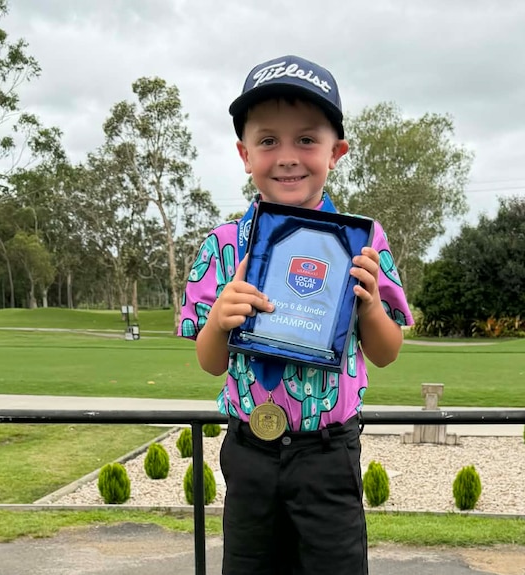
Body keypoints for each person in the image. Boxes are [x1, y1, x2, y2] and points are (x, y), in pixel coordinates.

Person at [178, 55, 413, 575]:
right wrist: (219, 320)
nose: (287, 157)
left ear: (337, 151)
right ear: (244, 153)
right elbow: (209, 363)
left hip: (328, 454)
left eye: (307, 140)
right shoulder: (221, 246)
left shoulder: (364, 240)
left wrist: (370, 304)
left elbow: (388, 352)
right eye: (268, 141)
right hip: (249, 452)